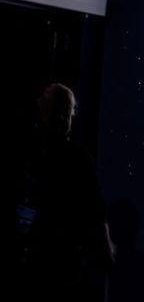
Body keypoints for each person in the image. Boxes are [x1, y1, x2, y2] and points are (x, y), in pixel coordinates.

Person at [12, 83, 113, 301]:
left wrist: (105, 255)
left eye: (65, 113)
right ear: (41, 109)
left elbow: (97, 215)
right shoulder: (26, 151)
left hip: (58, 272)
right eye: (55, 111)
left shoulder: (78, 160)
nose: (59, 118)